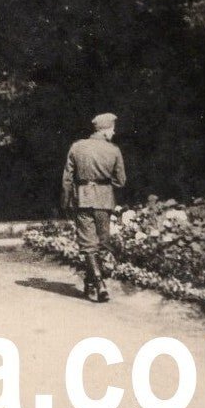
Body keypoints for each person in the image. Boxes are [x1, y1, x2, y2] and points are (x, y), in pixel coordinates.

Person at [62, 112, 127, 302]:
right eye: (113, 129)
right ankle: (99, 282)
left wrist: (65, 201)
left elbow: (67, 178)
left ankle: (93, 282)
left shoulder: (77, 147)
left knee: (88, 243)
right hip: (104, 201)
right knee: (101, 241)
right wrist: (105, 186)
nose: (114, 133)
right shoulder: (114, 150)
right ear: (106, 130)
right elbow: (121, 181)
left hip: (82, 199)